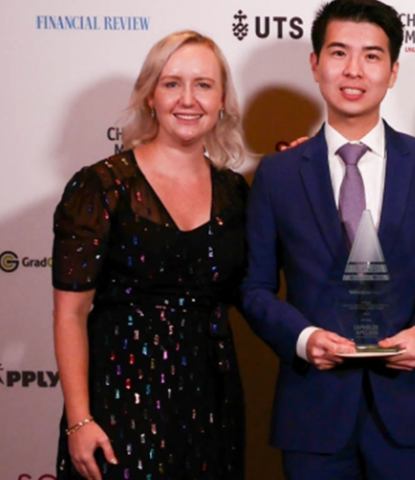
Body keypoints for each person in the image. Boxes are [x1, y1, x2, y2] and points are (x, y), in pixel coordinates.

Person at [240, 0, 415, 478]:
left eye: (372, 56)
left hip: (409, 410)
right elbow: (253, 288)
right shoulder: (276, 175)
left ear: (394, 70)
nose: (354, 70)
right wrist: (304, 338)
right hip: (312, 414)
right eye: (339, 53)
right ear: (315, 65)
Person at [52, 31, 247, 480]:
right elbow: (70, 313)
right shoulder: (101, 186)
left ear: (222, 101)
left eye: (203, 84)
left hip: (210, 401)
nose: (188, 99)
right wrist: (80, 419)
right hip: (120, 402)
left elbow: (255, 289)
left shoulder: (236, 192)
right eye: (172, 83)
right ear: (150, 97)